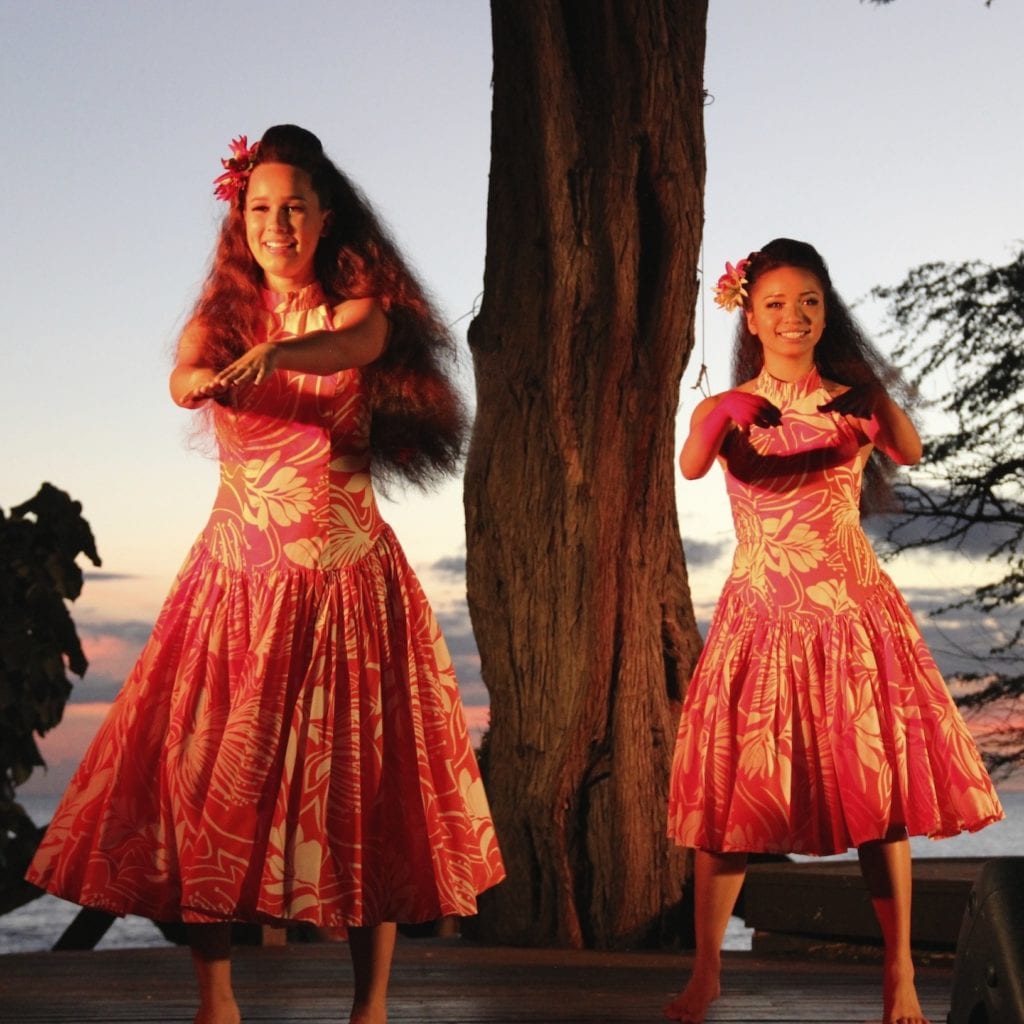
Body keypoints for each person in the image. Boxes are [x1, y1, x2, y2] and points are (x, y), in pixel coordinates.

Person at [27, 124, 505, 1024]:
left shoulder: (360, 309)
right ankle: (218, 1000)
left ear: (326, 217)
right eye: (260, 208)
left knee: (365, 791)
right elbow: (183, 375)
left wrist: (281, 357)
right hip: (237, 581)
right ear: (239, 219)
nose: (277, 223)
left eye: (294, 207)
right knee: (212, 777)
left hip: (347, 580)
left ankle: (369, 1008)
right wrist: (199, 380)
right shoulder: (224, 316)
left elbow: (353, 349)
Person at [664, 238, 1003, 1024]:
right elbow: (690, 464)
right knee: (731, 804)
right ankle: (707, 970)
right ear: (749, 314)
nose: (793, 317)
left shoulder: (852, 399)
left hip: (852, 616)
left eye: (809, 302)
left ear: (826, 312)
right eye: (776, 304)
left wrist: (875, 401)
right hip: (762, 618)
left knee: (876, 798)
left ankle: (899, 973)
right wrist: (719, 411)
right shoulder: (726, 406)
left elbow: (910, 450)